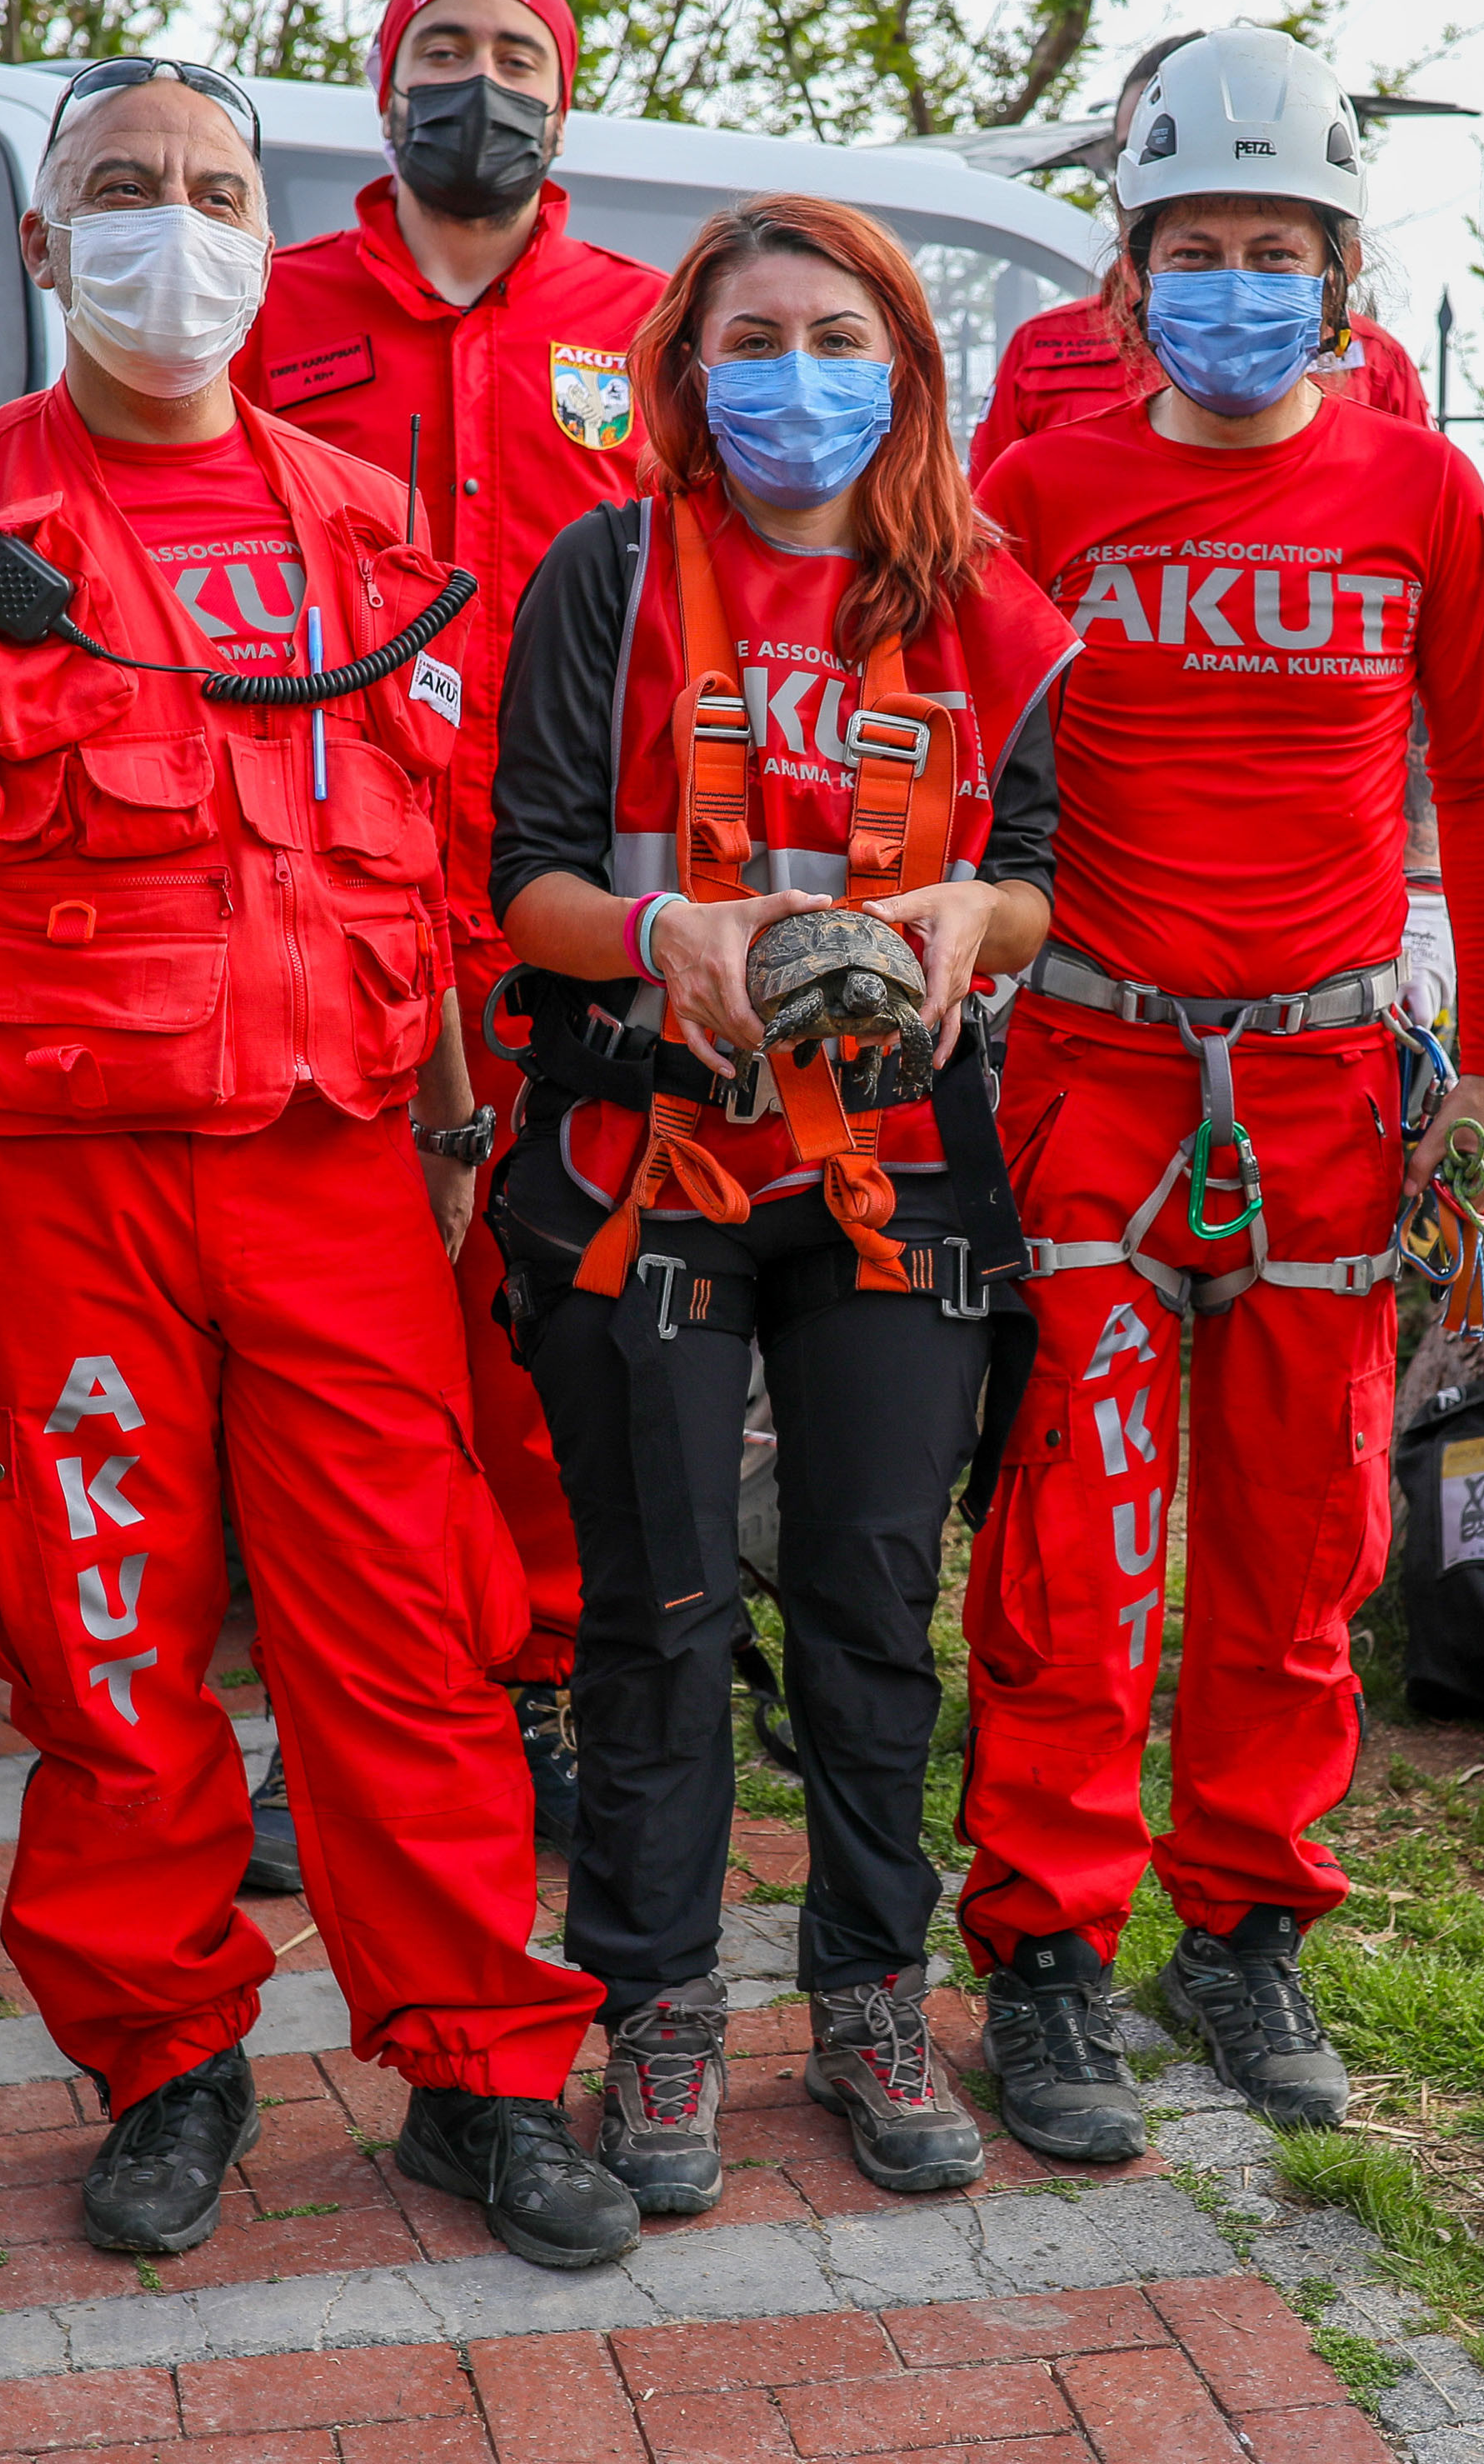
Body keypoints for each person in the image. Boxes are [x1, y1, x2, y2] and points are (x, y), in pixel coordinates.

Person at [0, 58, 634, 2274]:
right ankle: (167, 2064)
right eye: (122, 189)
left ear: (270, 236)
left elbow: (432, 868)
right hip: (54, 1192)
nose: (175, 227)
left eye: (217, 190)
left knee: (417, 1636)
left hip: (341, 1178)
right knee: (101, 1647)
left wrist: (460, 1135)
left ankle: (482, 2075)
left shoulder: (368, 532)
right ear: (44, 242)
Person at [959, 26, 1484, 2163]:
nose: (1232, 284)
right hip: (1092, 1070)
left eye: (1273, 249)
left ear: (1342, 274)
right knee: (1078, 1539)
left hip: (1325, 1090)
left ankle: (1246, 1922)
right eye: (1191, 249)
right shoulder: (1041, 493)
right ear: (1124, 279)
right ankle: (1045, 1944)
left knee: (1304, 1539)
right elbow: (955, 754)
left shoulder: (1420, 493)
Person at [487, 192, 1077, 2209]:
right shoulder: (607, 575)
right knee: (653, 1616)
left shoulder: (983, 597)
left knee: (869, 1605)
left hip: (898, 1174)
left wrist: (971, 912)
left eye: (839, 339)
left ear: (905, 367)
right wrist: (665, 930)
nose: (796, 378)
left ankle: (869, 1996)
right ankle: (656, 2010)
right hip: (648, 1159)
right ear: (684, 369)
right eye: (753, 340)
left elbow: (1044, 877)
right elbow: (525, 875)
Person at [232, 0, 669, 1874]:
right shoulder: (273, 306)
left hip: (559, 902)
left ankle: (541, 1683)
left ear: (562, 97)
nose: (477, 85)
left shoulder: (643, 326)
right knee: (339, 1330)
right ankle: (330, 1708)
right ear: (380, 80)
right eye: (442, 51)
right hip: (323, 891)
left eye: (514, 56)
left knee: (547, 1322)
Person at [963, 32, 1432, 481]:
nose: (1234, 287)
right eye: (1133, 150)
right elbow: (983, 524)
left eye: (1274, 254)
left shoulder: (1376, 361)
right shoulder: (1044, 351)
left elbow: (1415, 494)